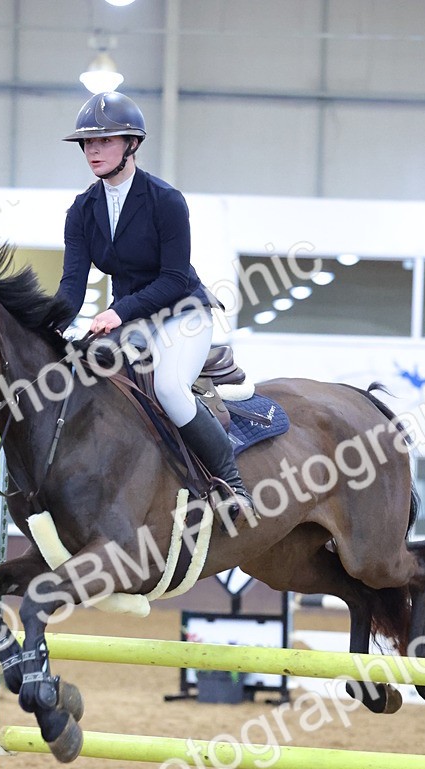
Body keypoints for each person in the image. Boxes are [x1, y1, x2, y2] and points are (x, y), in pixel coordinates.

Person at [57, 91, 255, 523]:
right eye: (88, 143)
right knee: (92, 376)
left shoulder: (165, 200)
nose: (93, 150)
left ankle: (231, 485)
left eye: (105, 141)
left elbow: (174, 279)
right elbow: (72, 286)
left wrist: (118, 312)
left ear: (132, 144)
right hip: (133, 321)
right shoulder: (81, 210)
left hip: (182, 311)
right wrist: (45, 325)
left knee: (168, 387)